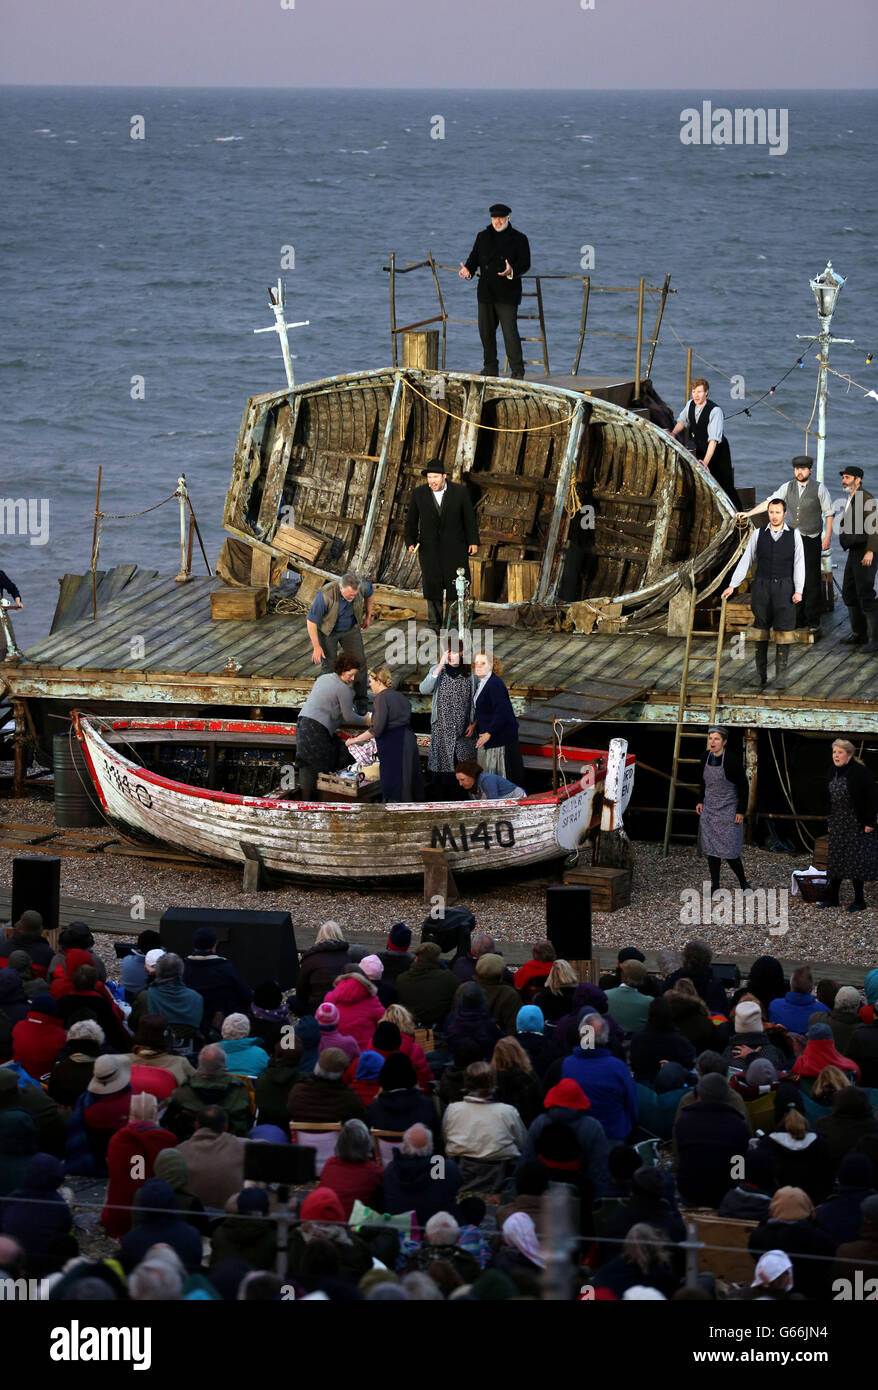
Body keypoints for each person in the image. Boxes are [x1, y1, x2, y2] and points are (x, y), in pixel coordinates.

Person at [736, 455, 833, 636]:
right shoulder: (787, 487)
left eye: (803, 469)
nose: (799, 472)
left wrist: (827, 537)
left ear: (810, 470)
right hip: (793, 537)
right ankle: (797, 617)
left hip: (811, 538)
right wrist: (749, 514)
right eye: (797, 469)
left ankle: (813, 621)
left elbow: (829, 514)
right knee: (792, 576)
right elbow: (770, 502)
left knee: (811, 579)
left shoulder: (820, 489)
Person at [722, 497, 804, 690]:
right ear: (768, 513)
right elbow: (746, 561)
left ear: (784, 514)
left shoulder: (795, 535)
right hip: (761, 587)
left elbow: (799, 564)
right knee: (760, 630)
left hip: (785, 588)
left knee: (783, 631)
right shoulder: (758, 534)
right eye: (771, 512)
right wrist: (733, 585)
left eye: (777, 512)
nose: (774, 516)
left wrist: (799, 590)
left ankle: (781, 677)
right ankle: (761, 676)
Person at [458, 203, 531, 379]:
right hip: (486, 292)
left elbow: (525, 263)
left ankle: (517, 371)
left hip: (508, 293)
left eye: (501, 218)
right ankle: (490, 368)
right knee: (486, 332)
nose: (497, 221)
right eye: (494, 218)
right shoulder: (482, 236)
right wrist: (467, 271)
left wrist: (511, 270)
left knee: (510, 333)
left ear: (508, 218)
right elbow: (473, 259)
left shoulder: (519, 238)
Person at [404, 460, 480, 630]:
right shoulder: (419, 493)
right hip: (429, 548)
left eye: (436, 477)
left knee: (455, 585)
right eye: (429, 477)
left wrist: (473, 541)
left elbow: (469, 518)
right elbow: (411, 522)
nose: (432, 481)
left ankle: (452, 624)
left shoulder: (459, 492)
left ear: (444, 476)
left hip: (455, 547)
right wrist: (410, 541)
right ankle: (434, 623)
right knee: (432, 585)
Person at [294, 652, 370, 801]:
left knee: (306, 763)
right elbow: (348, 716)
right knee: (326, 762)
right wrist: (366, 720)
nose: (353, 678)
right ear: (342, 671)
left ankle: (306, 800)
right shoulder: (344, 689)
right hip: (316, 729)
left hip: (302, 723)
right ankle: (322, 801)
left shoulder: (323, 678)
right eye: (351, 675)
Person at [817, 739, 878, 913]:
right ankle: (833, 898)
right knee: (836, 859)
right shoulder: (832, 771)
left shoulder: (861, 773)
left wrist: (869, 822)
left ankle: (860, 900)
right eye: (834, 752)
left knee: (855, 861)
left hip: (856, 822)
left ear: (849, 754)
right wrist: (830, 820)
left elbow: (872, 798)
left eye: (840, 752)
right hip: (838, 821)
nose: (836, 755)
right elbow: (829, 798)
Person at [346, 666, 423, 802]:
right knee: (409, 782)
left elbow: (377, 728)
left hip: (395, 744)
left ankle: (395, 816)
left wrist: (354, 740)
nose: (370, 685)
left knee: (395, 785)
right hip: (408, 740)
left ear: (379, 681)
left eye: (371, 681)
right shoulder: (400, 697)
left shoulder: (381, 698)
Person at [306, 570, 374, 710]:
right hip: (327, 631)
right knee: (329, 665)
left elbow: (370, 593)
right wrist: (316, 646)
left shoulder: (362, 586)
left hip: (350, 629)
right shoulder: (325, 595)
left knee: (359, 662)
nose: (352, 597)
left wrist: (367, 615)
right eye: (349, 595)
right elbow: (311, 621)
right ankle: (330, 701)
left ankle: (361, 699)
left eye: (354, 595)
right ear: (341, 588)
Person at [696, 726, 752, 894]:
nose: (712, 742)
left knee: (730, 851)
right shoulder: (705, 757)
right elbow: (703, 782)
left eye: (717, 739)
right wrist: (700, 800)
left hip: (728, 810)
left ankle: (744, 884)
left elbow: (743, 786)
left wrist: (741, 811)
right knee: (712, 851)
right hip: (710, 810)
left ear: (724, 742)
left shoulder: (732, 761)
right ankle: (715, 885)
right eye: (710, 738)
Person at [668, 377, 741, 507]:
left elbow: (713, 441)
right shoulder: (690, 404)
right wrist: (673, 433)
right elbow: (682, 421)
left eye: (700, 392)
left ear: (706, 392)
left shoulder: (715, 411)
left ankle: (739, 514)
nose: (696, 395)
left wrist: (705, 463)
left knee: (725, 485)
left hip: (718, 452)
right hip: (702, 449)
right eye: (694, 391)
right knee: (706, 484)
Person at [419, 645, 477, 796]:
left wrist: (474, 723)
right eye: (449, 652)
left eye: (455, 652)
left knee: (463, 774)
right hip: (442, 731)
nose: (451, 656)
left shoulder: (470, 674)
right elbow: (423, 689)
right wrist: (439, 665)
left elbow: (478, 702)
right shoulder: (438, 670)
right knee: (441, 775)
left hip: (462, 733)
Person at [837, 466, 878, 650]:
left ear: (858, 480)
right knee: (848, 592)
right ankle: (859, 634)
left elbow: (875, 527)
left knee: (866, 595)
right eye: (843, 477)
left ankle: (875, 640)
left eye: (848, 477)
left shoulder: (866, 498)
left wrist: (870, 551)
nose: (844, 480)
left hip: (865, 553)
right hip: (854, 553)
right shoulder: (851, 497)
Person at [471, 652, 526, 788]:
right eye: (476, 663)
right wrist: (474, 724)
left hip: (500, 739)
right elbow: (485, 708)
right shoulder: (482, 683)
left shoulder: (494, 684)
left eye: (483, 663)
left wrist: (489, 732)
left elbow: (502, 712)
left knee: (501, 777)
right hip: (490, 736)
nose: (478, 666)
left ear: (491, 665)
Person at [183, 928, 252, 1028]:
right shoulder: (225, 968)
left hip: (188, 1018)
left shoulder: (182, 967)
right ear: (214, 946)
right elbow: (246, 995)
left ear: (194, 946)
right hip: (220, 1024)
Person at [295, 920, 352, 1015]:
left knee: (292, 1001)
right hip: (340, 1005)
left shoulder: (311, 958)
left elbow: (301, 990)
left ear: (320, 936)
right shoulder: (347, 957)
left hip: (317, 1007)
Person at [454, 760, 526, 801]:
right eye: (458, 780)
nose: (460, 784)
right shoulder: (471, 787)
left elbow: (493, 803)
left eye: (462, 779)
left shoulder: (486, 779)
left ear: (472, 775)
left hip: (518, 799)